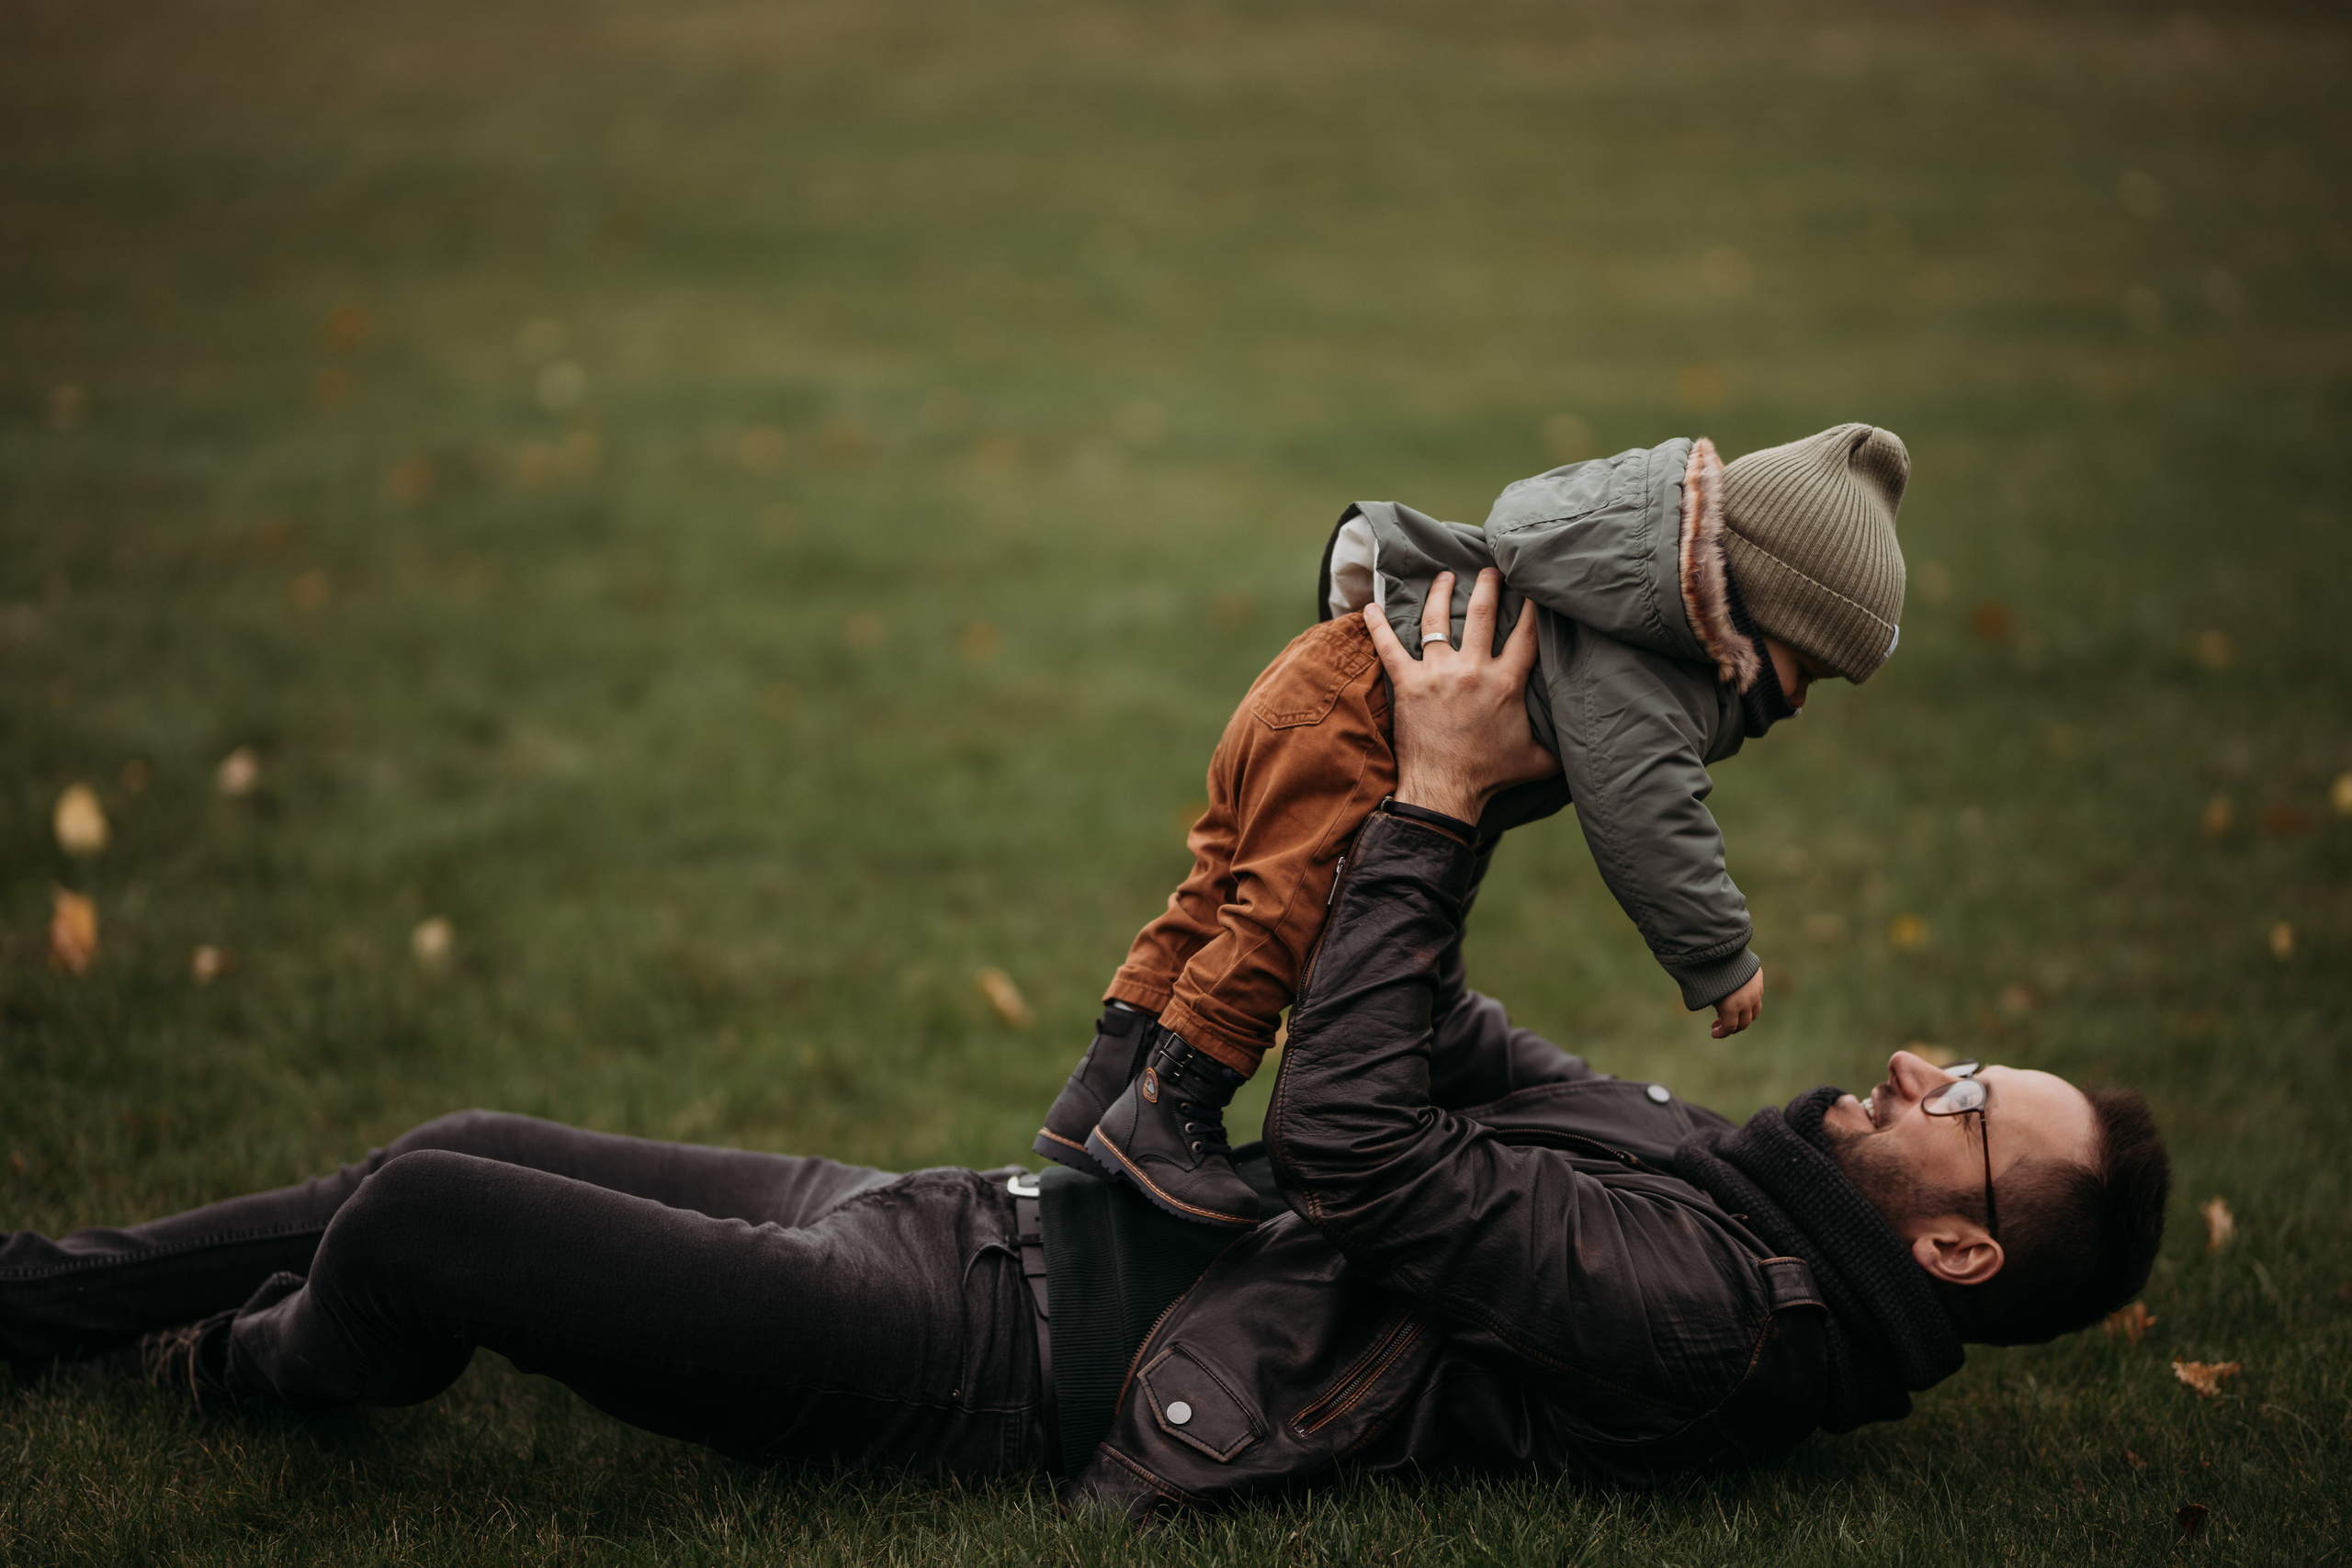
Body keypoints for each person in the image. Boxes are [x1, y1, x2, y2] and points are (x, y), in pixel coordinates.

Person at [0, 570, 2168, 1517]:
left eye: (1964, 1104)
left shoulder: (1710, 1308)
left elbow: (1367, 1142)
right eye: (1958, 1056)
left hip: (981, 1361)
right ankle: (40, 1300)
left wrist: (1418, 820)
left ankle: (268, 1371)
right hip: (1003, 1220)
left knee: (431, 1208)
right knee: (451, 1129)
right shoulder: (1733, 1193)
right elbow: (1431, 1045)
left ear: (1962, 1248)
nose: (1916, 1065)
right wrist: (1434, 783)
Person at [1036, 424, 1911, 1231]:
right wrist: (1718, 951)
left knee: (1219, 892)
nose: (1796, 702)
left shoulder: (1617, 591)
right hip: (1356, 723)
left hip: (1321, 688)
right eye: (1808, 671)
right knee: (1281, 916)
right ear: (1759, 608)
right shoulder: (1644, 657)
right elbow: (1644, 805)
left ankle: (1100, 1091)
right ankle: (1168, 1108)